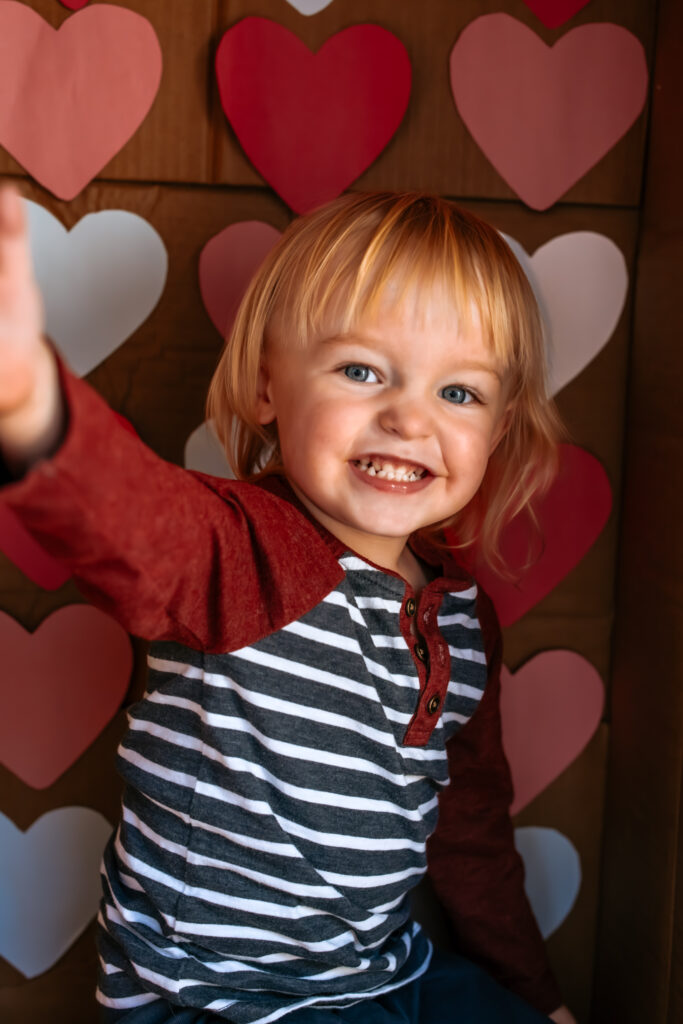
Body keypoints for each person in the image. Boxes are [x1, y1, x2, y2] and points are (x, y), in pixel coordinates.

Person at [0, 186, 577, 1024]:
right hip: (219, 1002)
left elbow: (469, 833)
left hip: (385, 976)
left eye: (459, 394)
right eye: (360, 370)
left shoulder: (459, 620)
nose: (407, 418)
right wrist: (34, 411)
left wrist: (537, 996)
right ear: (269, 386)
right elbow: (131, 521)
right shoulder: (239, 551)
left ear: (498, 430)